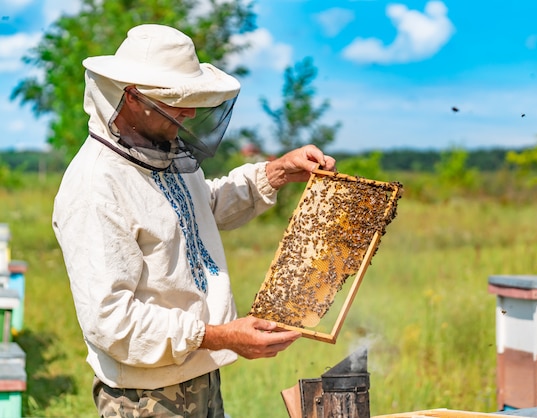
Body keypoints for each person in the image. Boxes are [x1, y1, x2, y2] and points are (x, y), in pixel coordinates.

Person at [52, 23, 336, 417]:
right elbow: (111, 322)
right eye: (176, 100)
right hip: (144, 399)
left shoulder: (162, 154)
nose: (190, 111)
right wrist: (219, 335)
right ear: (132, 98)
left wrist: (277, 172)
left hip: (199, 376)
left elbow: (202, 208)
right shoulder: (95, 187)